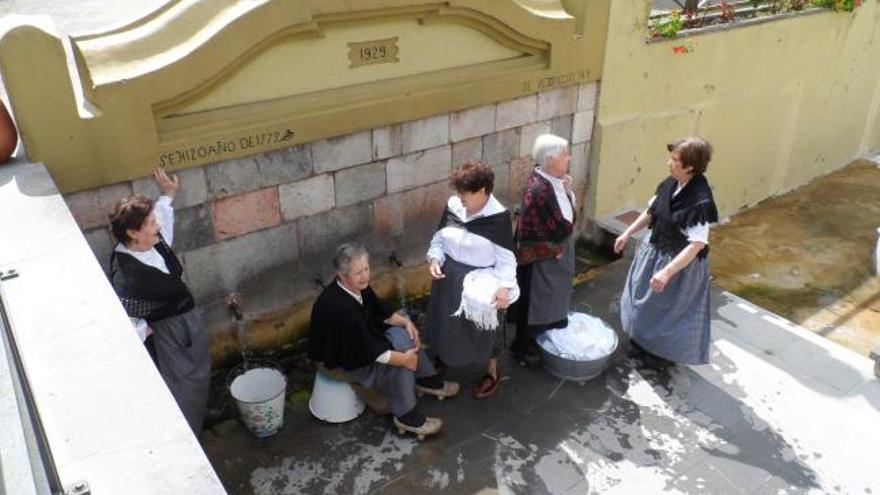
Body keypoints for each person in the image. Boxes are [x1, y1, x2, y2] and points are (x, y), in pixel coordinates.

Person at [309, 243, 458, 439]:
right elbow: (367, 350)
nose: (364, 276)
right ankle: (406, 415)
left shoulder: (356, 287)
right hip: (341, 359)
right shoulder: (341, 309)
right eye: (358, 273)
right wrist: (403, 360)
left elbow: (379, 311)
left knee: (403, 334)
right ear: (342, 276)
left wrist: (405, 322)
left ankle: (425, 378)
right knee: (399, 360)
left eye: (366, 269)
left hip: (360, 342)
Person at [108, 168, 211, 433]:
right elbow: (126, 318)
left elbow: (164, 219)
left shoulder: (153, 242)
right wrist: (145, 329)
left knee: (199, 372)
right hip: (168, 330)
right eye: (152, 224)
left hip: (188, 319)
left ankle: (202, 411)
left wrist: (168, 194)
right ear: (133, 232)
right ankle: (191, 434)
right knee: (183, 384)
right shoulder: (127, 275)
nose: (159, 226)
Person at [614, 137, 719, 366]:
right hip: (655, 250)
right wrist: (627, 233)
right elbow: (653, 211)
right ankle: (642, 344)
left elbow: (696, 244)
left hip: (678, 265)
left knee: (668, 314)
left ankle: (660, 356)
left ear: (690, 167)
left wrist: (666, 272)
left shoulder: (699, 200)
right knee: (643, 303)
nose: (668, 163)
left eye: (674, 160)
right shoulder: (672, 182)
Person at [426, 160, 519, 399]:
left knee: (484, 329)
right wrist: (435, 258)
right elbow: (438, 238)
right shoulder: (454, 205)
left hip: (482, 283)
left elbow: (507, 260)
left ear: (482, 191)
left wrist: (504, 288)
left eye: (465, 193)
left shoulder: (497, 217)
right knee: (447, 323)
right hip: (449, 280)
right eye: (458, 192)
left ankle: (490, 370)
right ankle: (443, 357)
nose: (460, 197)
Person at [509, 134, 577, 368]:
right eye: (565, 155)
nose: (569, 158)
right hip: (542, 257)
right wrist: (551, 250)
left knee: (552, 295)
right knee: (535, 301)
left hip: (556, 250)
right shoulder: (539, 189)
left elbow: (566, 217)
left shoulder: (555, 180)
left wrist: (568, 191)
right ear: (550, 160)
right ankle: (521, 348)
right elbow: (529, 230)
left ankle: (546, 328)